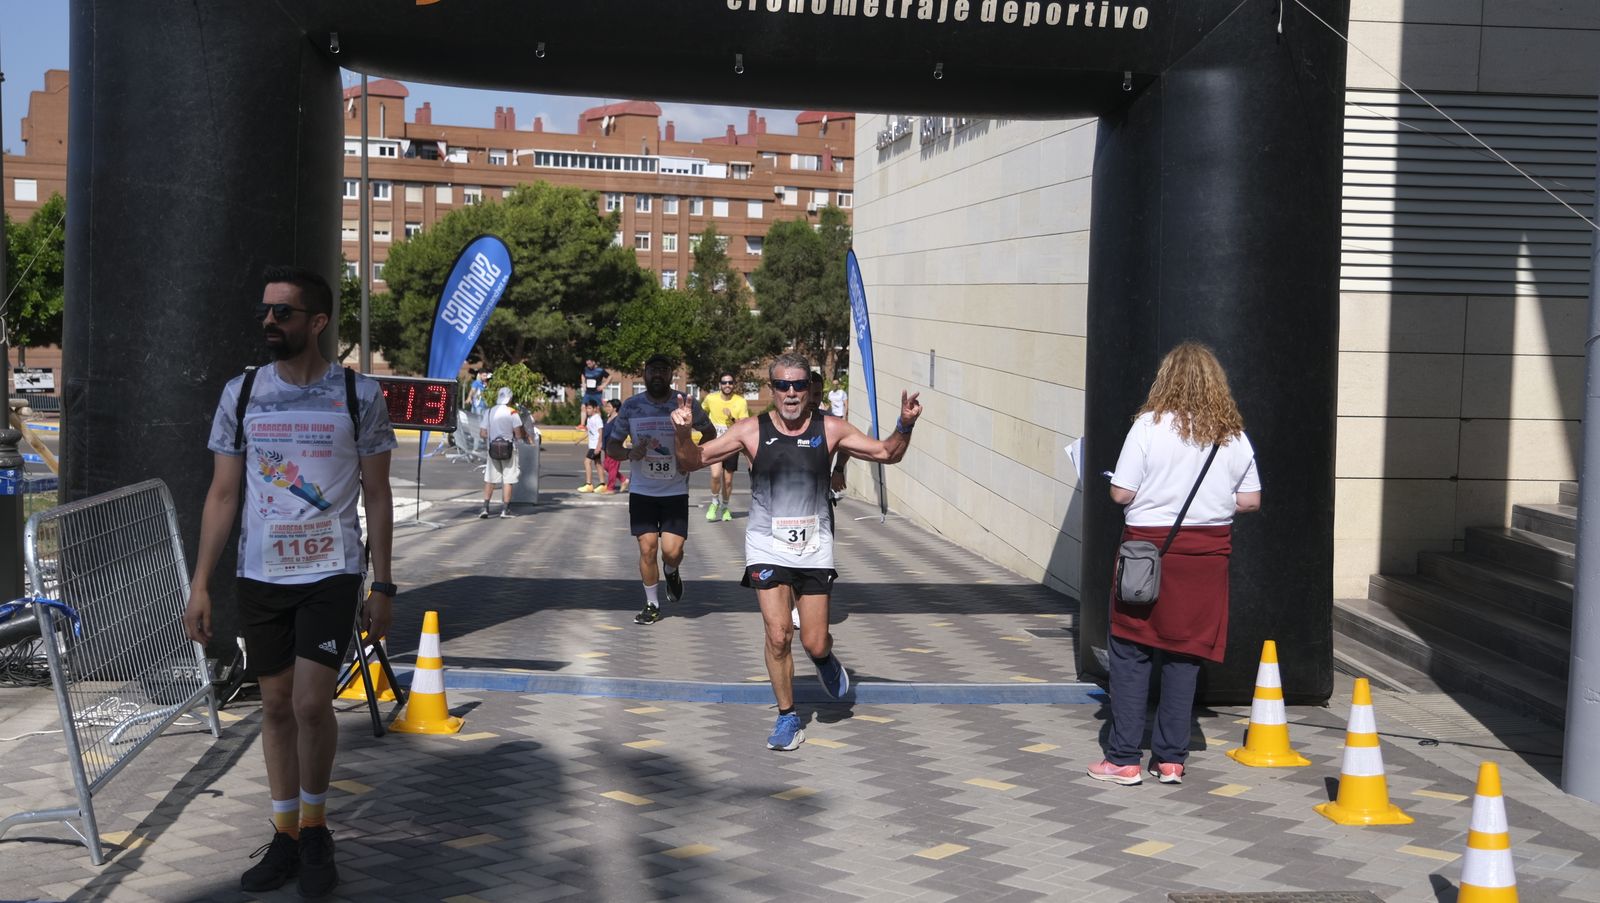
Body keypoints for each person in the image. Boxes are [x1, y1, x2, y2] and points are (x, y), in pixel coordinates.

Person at [183, 265, 396, 897]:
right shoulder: (242, 393)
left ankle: (316, 828)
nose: (269, 321)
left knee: (309, 704)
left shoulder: (359, 394)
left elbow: (378, 495)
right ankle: (285, 835)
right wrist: (200, 584)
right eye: (265, 311)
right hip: (261, 574)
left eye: (283, 312)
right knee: (275, 706)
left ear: (318, 321)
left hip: (331, 572)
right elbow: (223, 494)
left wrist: (383, 585)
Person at [671, 352, 922, 750]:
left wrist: (904, 425)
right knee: (778, 634)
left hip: (814, 547)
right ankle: (787, 717)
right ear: (771, 389)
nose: (791, 392)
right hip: (766, 544)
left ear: (809, 389)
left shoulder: (831, 428)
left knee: (815, 641)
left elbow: (886, 453)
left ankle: (823, 660)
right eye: (783, 385)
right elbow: (691, 461)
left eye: (799, 385)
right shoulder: (750, 430)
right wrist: (683, 434)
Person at [1088, 341, 1262, 786]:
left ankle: (1123, 759)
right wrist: (1213, 504)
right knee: (1185, 656)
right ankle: (1170, 760)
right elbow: (1250, 500)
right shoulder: (1232, 435)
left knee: (1131, 651)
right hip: (1206, 559)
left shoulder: (1148, 427)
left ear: (1165, 380)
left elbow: (1121, 493)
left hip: (1148, 554)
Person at [605, 354, 714, 625]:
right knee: (647, 547)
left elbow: (710, 434)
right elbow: (612, 447)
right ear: (644, 374)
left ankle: (671, 570)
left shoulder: (685, 404)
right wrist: (629, 453)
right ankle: (652, 604)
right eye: (652, 370)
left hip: (675, 490)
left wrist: (691, 458)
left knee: (672, 551)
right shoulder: (631, 406)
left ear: (670, 375)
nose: (657, 375)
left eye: (663, 370)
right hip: (642, 490)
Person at [701, 372, 750, 522]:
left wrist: (732, 418)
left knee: (727, 480)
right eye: (724, 382)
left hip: (731, 443)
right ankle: (714, 502)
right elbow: (701, 413)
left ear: (734, 384)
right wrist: (705, 427)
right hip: (715, 442)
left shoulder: (740, 402)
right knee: (715, 475)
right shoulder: (711, 398)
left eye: (730, 382)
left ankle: (725, 506)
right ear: (720, 385)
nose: (727, 385)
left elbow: (744, 425)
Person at [480, 386, 528, 518]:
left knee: (490, 479)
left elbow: (482, 433)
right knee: (508, 479)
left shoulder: (489, 411)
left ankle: (485, 508)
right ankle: (505, 510)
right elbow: (518, 435)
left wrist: (494, 436)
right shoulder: (512, 412)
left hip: (492, 449)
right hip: (509, 450)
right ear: (510, 398)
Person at [577, 399, 607, 493]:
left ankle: (589, 484)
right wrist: (580, 440)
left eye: (589, 408)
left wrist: (599, 446)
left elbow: (601, 432)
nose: (587, 410)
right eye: (586, 408)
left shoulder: (597, 418)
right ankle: (603, 484)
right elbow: (589, 431)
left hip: (595, 446)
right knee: (598, 464)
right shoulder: (590, 418)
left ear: (595, 408)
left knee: (587, 462)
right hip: (592, 445)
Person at [601, 398, 626, 493]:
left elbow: (622, 433)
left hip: (615, 447)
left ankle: (610, 488)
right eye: (606, 406)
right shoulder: (607, 418)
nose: (606, 408)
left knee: (612, 467)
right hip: (606, 447)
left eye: (609, 406)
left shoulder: (618, 420)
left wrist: (623, 445)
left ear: (615, 408)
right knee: (606, 466)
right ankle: (623, 479)